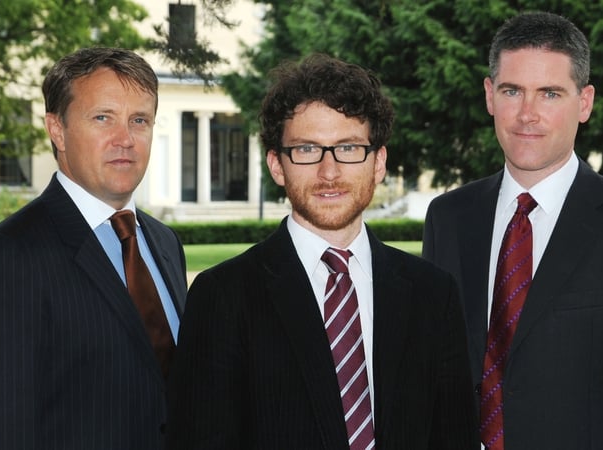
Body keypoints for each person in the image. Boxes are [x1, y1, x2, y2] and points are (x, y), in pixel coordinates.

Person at [422, 11, 603, 450]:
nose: (527, 114)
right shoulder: (449, 218)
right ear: (489, 95)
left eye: (550, 94)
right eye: (512, 91)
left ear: (585, 102)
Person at [166, 53, 474, 449]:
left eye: (348, 148)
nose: (329, 172)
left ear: (378, 162)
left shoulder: (434, 294)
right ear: (277, 165)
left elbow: (454, 438)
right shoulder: (223, 296)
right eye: (307, 150)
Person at [0, 47, 188, 449]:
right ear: (56, 129)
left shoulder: (165, 244)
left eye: (139, 120)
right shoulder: (7, 257)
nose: (125, 139)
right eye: (102, 118)